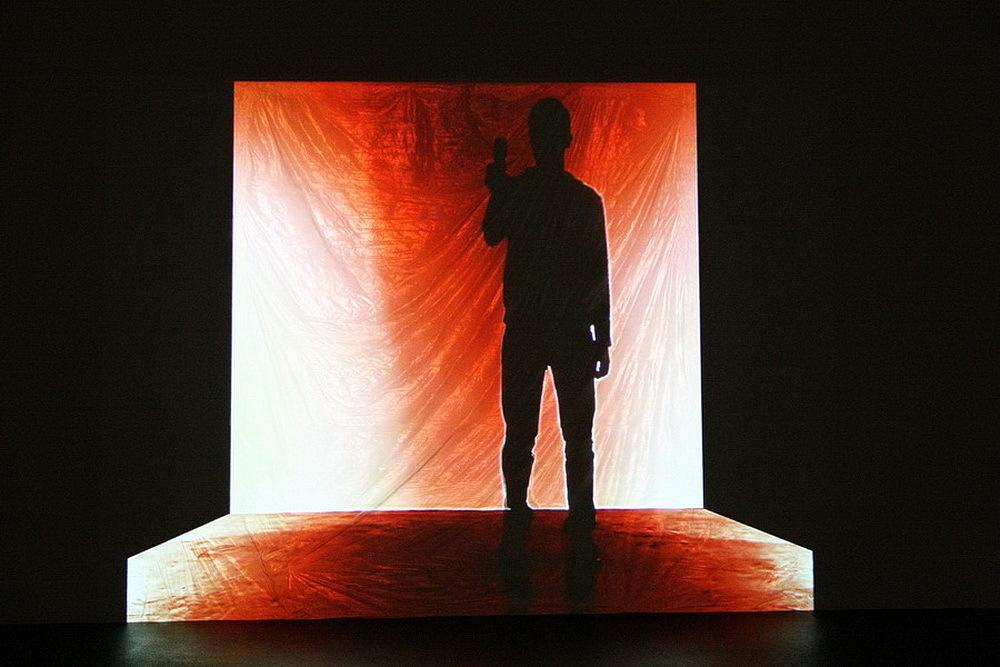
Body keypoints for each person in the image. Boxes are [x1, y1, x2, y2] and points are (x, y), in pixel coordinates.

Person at [482, 98, 611, 532]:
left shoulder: (521, 192)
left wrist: (500, 188)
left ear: (534, 139)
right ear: (568, 138)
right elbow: (597, 273)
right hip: (571, 330)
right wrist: (602, 338)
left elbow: (492, 233)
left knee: (522, 430)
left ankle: (518, 511)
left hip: (527, 328)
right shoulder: (585, 201)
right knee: (577, 434)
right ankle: (580, 513)